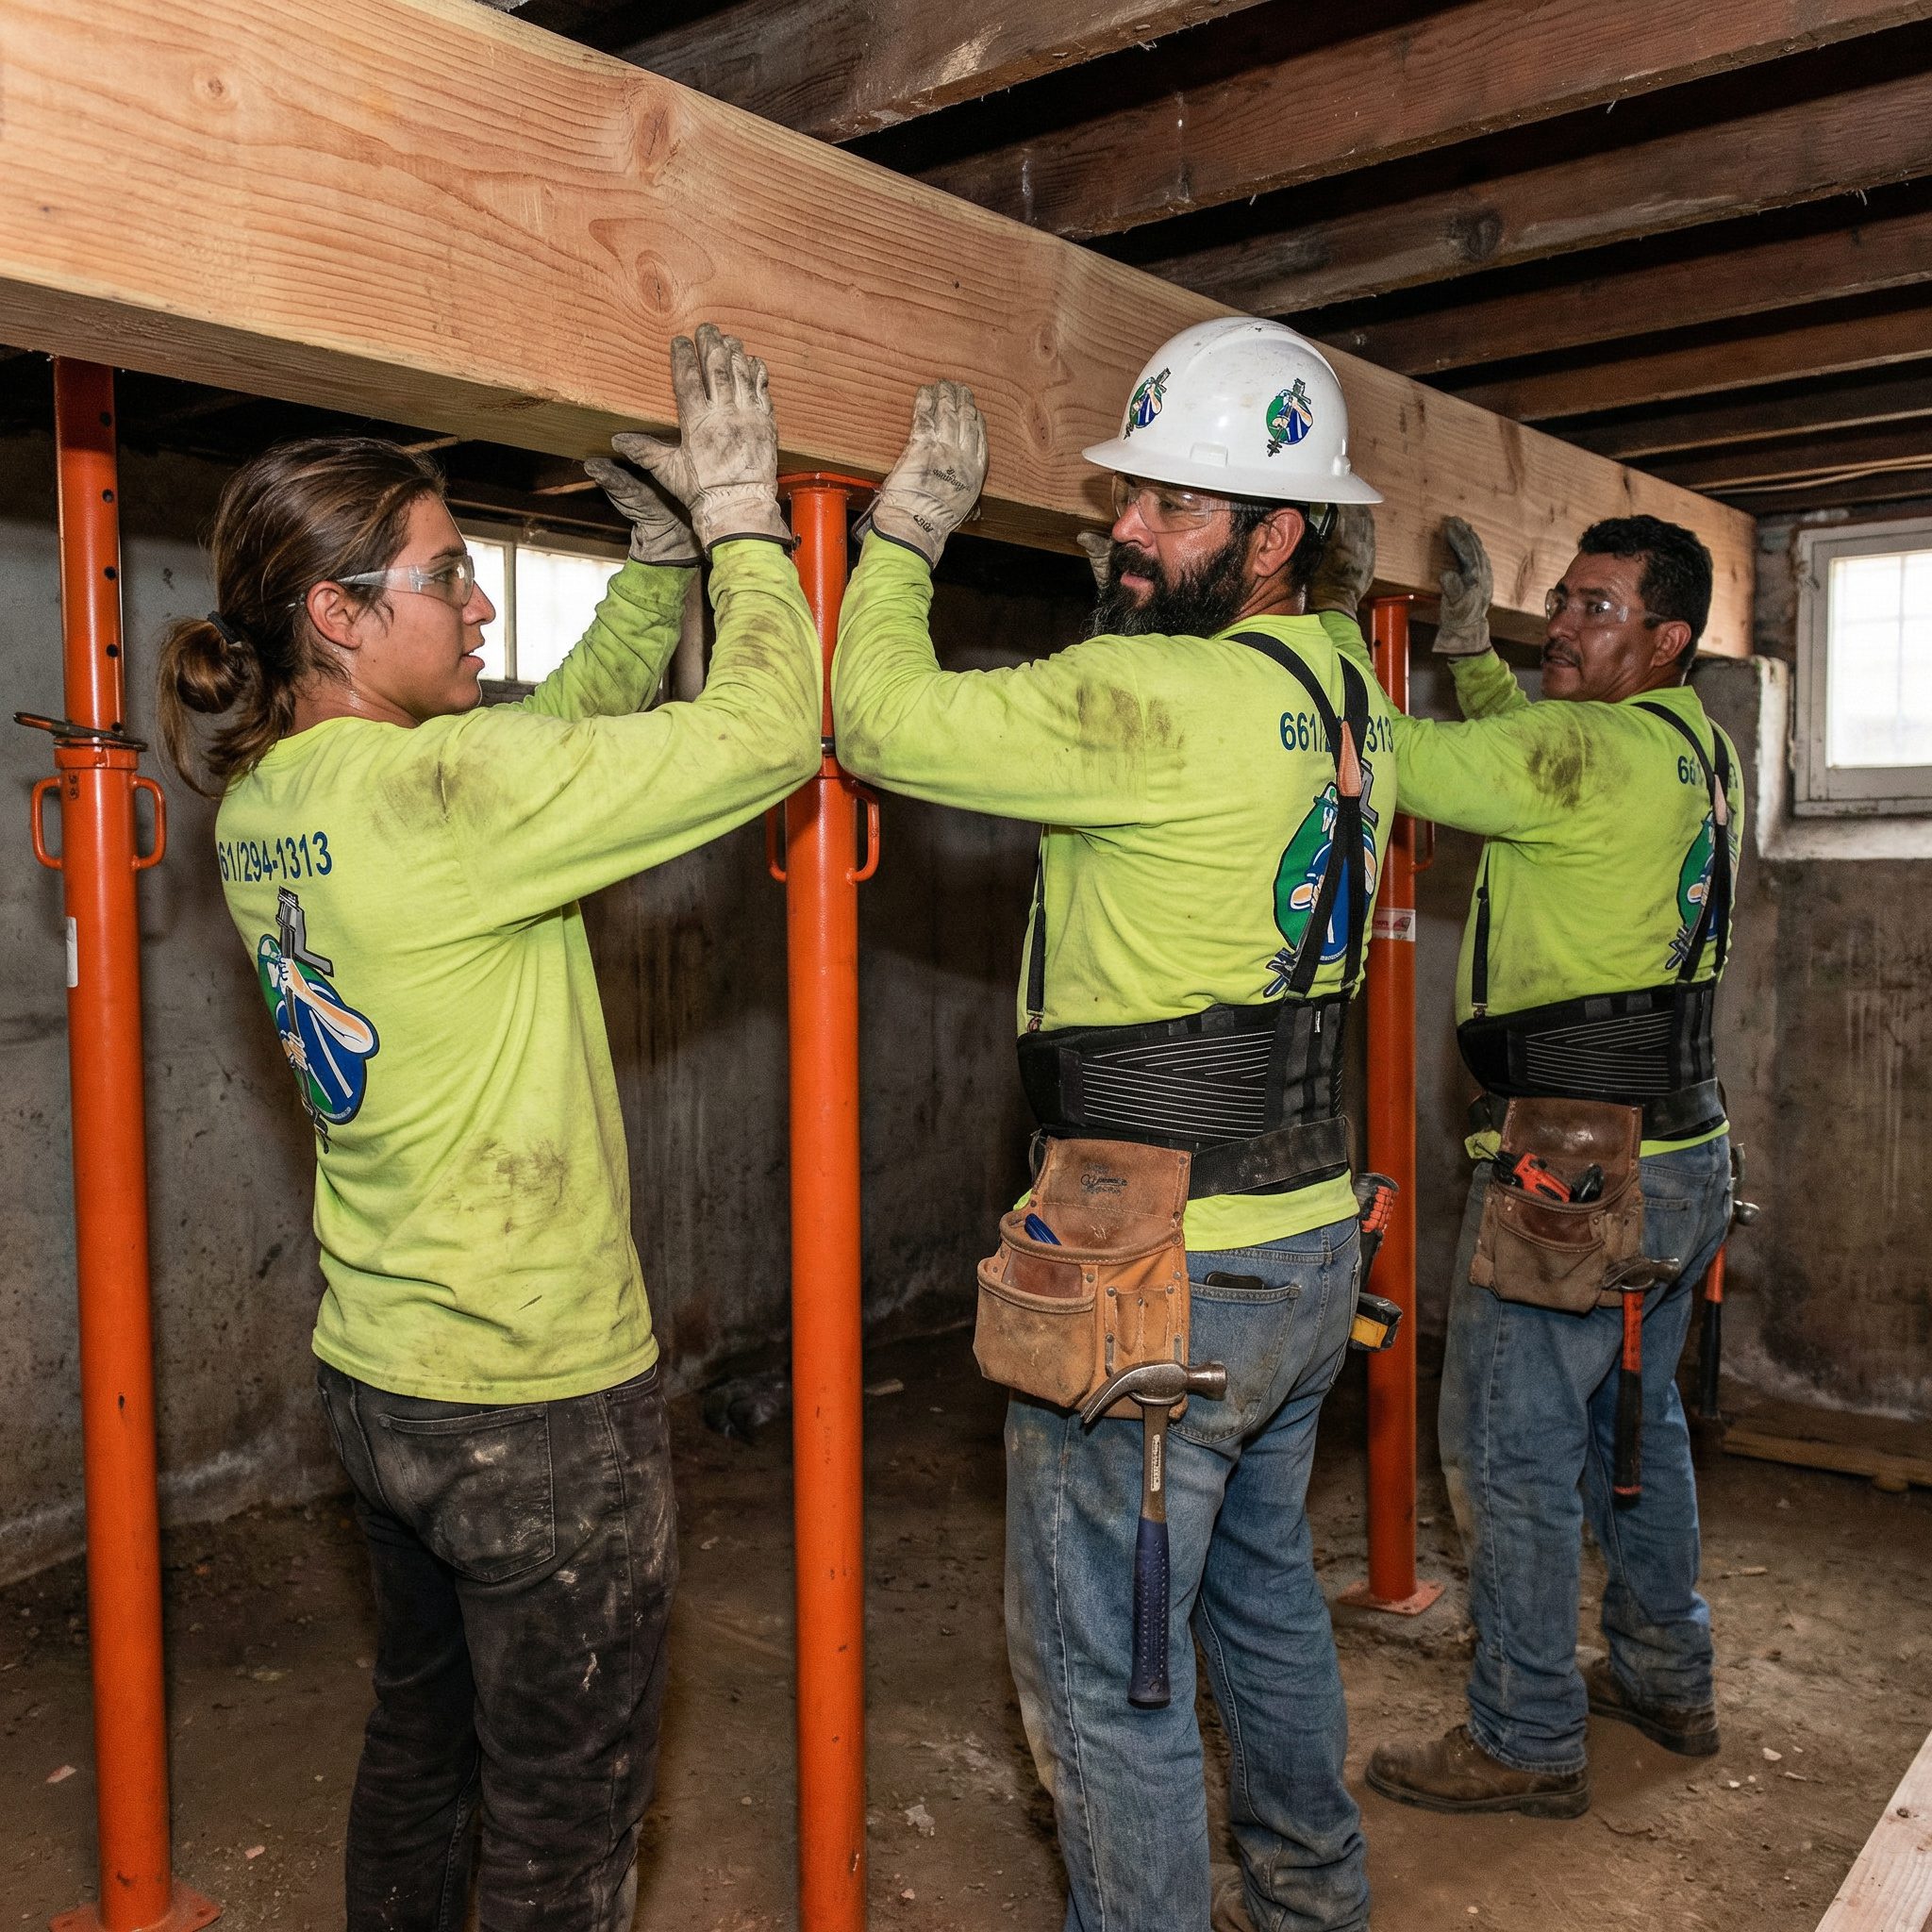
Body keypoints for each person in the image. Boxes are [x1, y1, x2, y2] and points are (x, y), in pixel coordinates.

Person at [156, 324, 819, 1930]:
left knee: (423, 1743)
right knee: (563, 1822)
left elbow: (545, 749)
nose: (479, 606)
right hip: (537, 1401)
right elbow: (767, 732)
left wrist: (650, 576)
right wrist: (744, 526)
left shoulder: (270, 805)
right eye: (447, 577)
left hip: (382, 1378)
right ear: (337, 613)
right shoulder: (448, 798)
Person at [833, 318, 1391, 1932]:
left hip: (1160, 1269)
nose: (1127, 531)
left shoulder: (1147, 693)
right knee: (1261, 1602)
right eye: (1127, 499)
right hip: (1300, 1251)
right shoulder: (1350, 684)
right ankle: (1314, 1903)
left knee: (1103, 1674)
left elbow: (880, 721)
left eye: (1171, 507)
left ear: (1273, 537)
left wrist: (900, 542)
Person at [1313, 509, 1739, 1818]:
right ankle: (1665, 1675)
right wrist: (1471, 655)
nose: (1559, 624)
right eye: (1558, 600)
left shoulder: (1581, 752)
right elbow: (1538, 753)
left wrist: (1323, 628)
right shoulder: (1694, 743)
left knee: (1507, 1448)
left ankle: (1526, 1733)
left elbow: (1394, 757)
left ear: (1666, 638)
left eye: (1594, 610)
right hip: (1683, 1151)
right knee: (1635, 1428)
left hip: (1575, 1169)